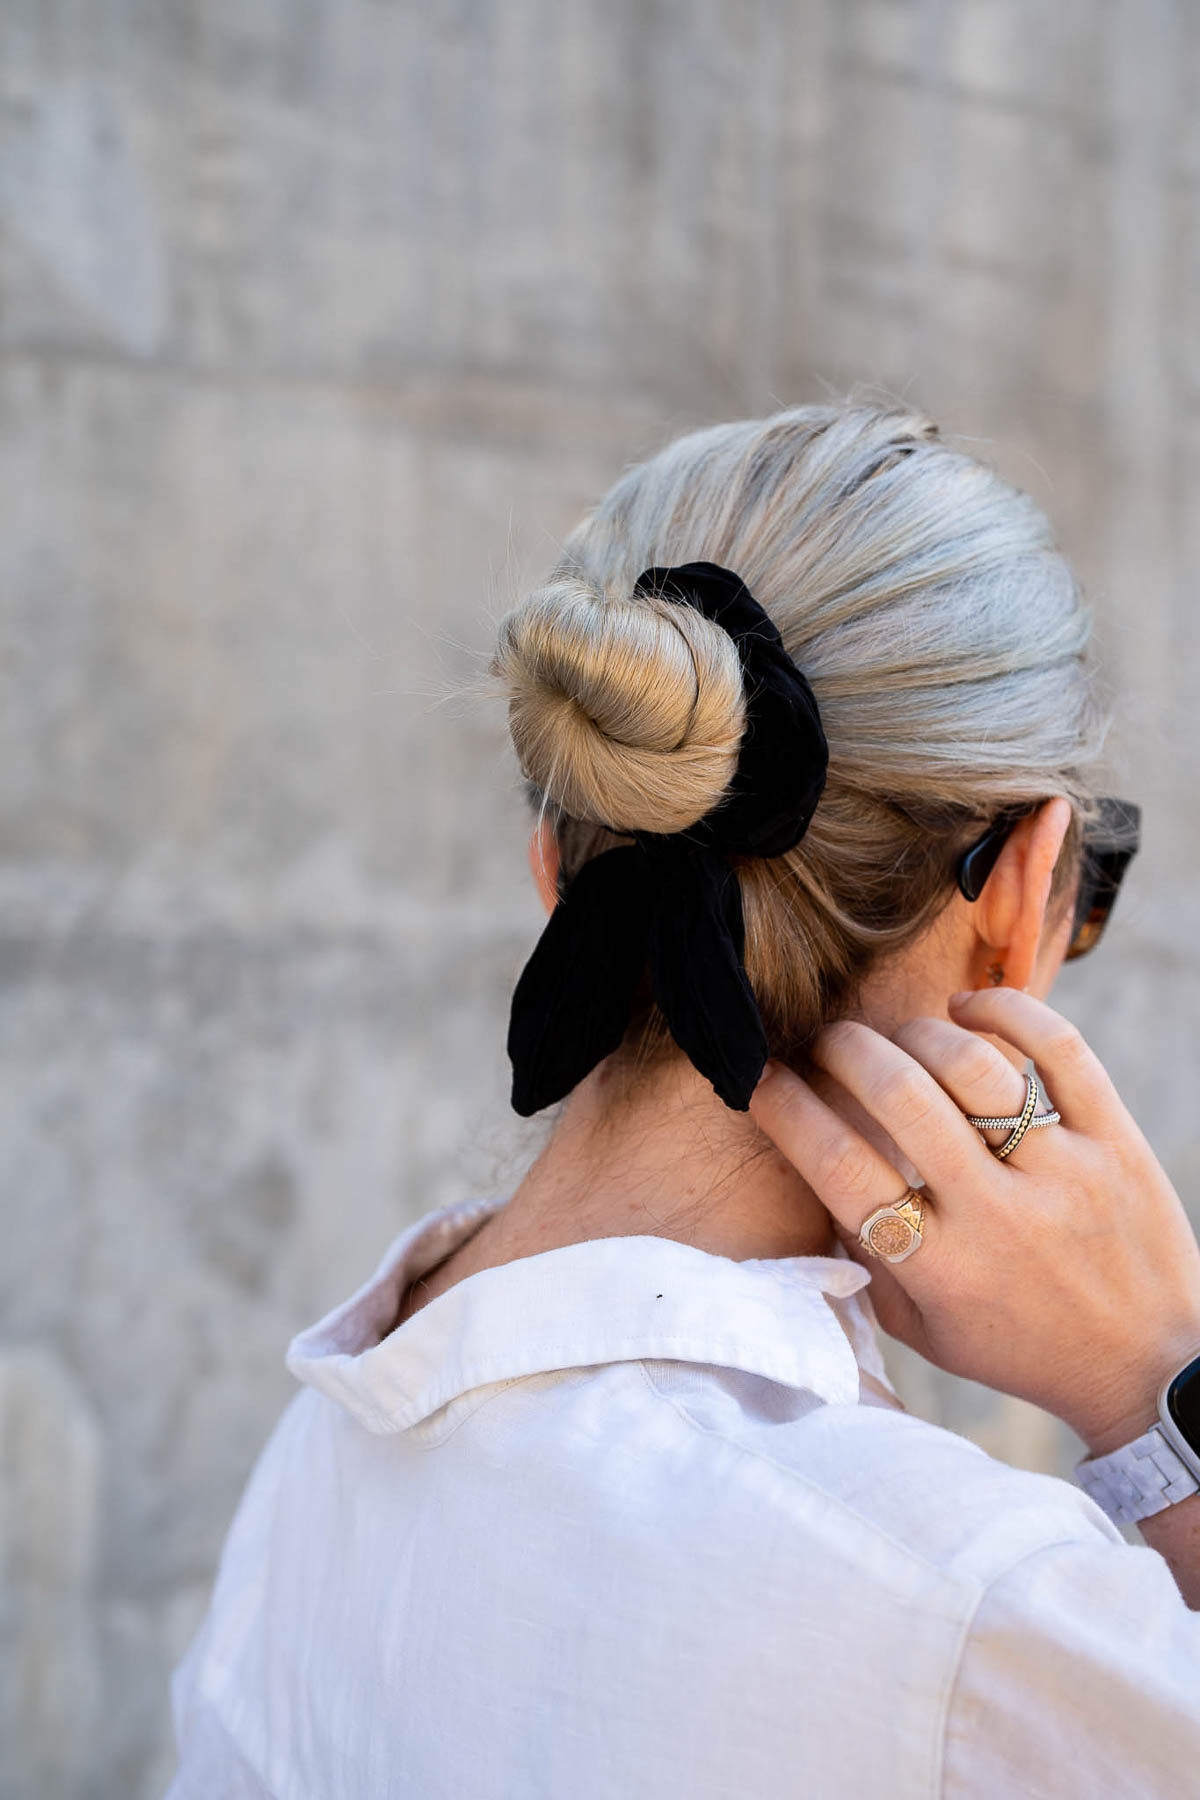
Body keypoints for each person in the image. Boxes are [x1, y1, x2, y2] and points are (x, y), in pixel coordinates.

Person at [166, 399, 1200, 1798]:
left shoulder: (325, 1450)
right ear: (1023, 892)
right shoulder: (975, 1609)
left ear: (555, 863)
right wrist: (1160, 1388)